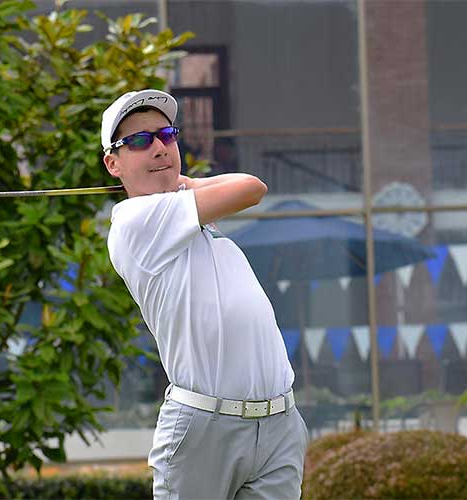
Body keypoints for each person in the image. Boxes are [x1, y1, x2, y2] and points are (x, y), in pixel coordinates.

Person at [102, 89, 308, 499]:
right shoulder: (134, 220)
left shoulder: (189, 219)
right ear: (113, 163)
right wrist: (186, 182)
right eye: (141, 141)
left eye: (167, 134)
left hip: (279, 423)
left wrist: (179, 184)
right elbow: (251, 187)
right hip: (203, 426)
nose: (160, 147)